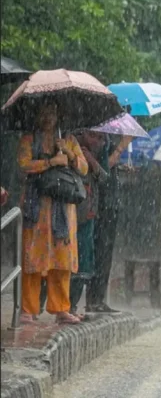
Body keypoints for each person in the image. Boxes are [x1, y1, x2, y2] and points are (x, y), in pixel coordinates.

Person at [18, 101, 88, 325]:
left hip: (63, 209)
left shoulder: (68, 139)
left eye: (52, 112)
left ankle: (61, 308)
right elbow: (23, 165)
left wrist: (67, 152)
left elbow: (84, 168)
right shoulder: (29, 139)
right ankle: (28, 309)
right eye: (44, 112)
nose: (48, 117)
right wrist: (50, 162)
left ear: (58, 115)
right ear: (37, 115)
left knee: (62, 260)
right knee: (32, 259)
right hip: (36, 206)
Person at [41, 131, 106, 316]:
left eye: (101, 138)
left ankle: (71, 306)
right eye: (94, 136)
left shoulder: (79, 149)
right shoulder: (59, 142)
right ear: (83, 133)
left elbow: (102, 177)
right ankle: (44, 306)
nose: (98, 141)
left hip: (88, 214)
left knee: (81, 264)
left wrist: (87, 159)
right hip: (67, 211)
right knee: (55, 261)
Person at [86, 133, 132, 313]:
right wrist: (122, 145)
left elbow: (110, 167)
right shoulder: (97, 140)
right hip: (100, 205)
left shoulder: (106, 140)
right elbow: (103, 169)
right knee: (99, 251)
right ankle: (94, 298)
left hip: (111, 204)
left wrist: (120, 167)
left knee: (106, 254)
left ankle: (99, 298)